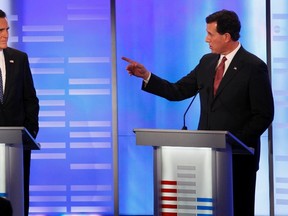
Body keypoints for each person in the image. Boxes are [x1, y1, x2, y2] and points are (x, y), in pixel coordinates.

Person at [122, 9, 274, 216]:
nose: (206, 39)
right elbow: (178, 91)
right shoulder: (207, 62)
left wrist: (234, 144)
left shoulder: (254, 66)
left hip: (238, 160)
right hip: (206, 158)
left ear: (226, 36)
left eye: (210, 34)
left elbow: (264, 114)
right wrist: (147, 75)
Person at [0, 9, 39, 216]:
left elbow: (30, 99)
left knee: (18, 199)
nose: (5, 34)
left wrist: (29, 134)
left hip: (17, 145)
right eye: (0, 30)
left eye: (6, 29)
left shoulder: (19, 58)